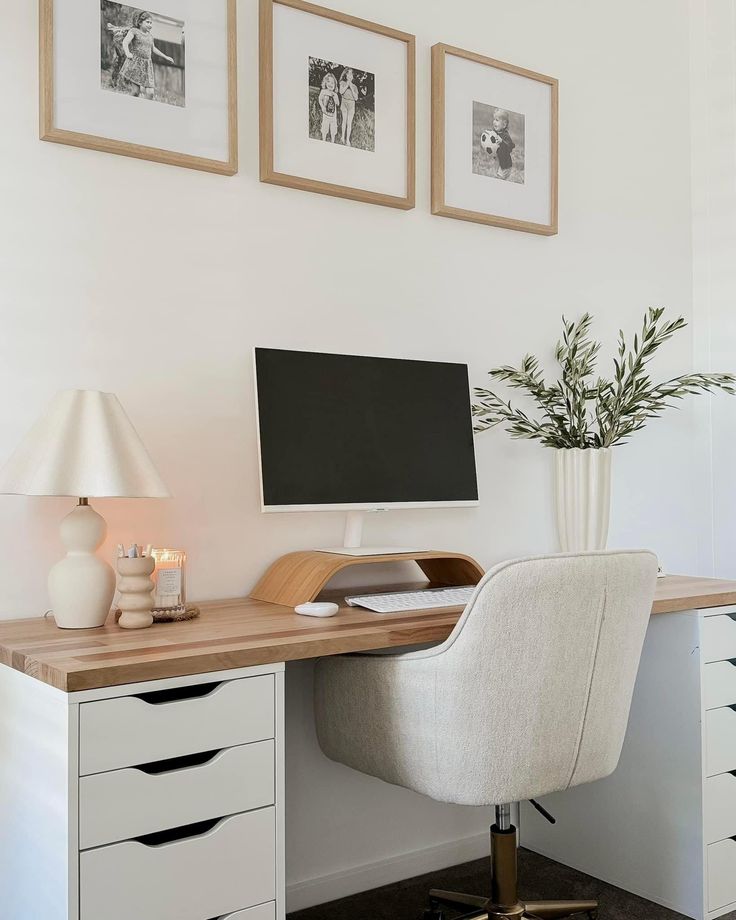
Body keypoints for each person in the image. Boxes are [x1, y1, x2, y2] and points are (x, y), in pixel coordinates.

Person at [119, 11, 174, 101]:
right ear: (140, 22)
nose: (150, 25)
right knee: (135, 92)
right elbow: (125, 42)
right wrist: (127, 53)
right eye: (147, 22)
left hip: (147, 66)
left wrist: (166, 57)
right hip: (135, 64)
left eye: (151, 23)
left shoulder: (150, 36)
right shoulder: (134, 31)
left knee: (150, 92)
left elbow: (153, 49)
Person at [491, 109, 515, 180]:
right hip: (498, 162)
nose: (494, 122)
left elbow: (510, 146)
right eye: (494, 119)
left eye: (497, 120)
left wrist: (502, 142)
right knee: (495, 176)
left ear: (504, 124)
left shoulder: (505, 136)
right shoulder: (494, 133)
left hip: (505, 166)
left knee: (500, 179)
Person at [339, 68, 359, 146]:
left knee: (349, 122)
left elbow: (356, 98)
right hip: (344, 103)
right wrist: (347, 85)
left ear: (353, 76)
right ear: (345, 75)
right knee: (344, 121)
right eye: (348, 73)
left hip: (351, 104)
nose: (350, 75)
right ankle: (342, 137)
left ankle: (347, 140)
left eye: (351, 74)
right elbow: (341, 92)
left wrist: (351, 87)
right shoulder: (342, 83)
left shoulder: (354, 86)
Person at [318, 72, 340, 142]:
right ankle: (324, 139)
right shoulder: (323, 91)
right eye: (329, 82)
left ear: (335, 85)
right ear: (325, 83)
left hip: (333, 116)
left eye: (332, 83)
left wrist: (335, 98)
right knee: (325, 127)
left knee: (333, 128)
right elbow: (320, 99)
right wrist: (322, 106)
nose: (330, 84)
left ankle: (332, 140)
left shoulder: (335, 94)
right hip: (326, 114)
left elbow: (338, 104)